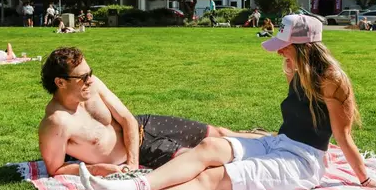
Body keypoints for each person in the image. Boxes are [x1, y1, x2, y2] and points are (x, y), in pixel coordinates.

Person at [78, 15, 376, 190]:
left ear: (305, 47)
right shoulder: (295, 70)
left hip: (302, 162)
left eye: (285, 45)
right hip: (278, 144)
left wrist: (364, 179)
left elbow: (343, 136)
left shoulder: (332, 79)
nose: (279, 50)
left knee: (213, 177)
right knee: (210, 146)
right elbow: (297, 121)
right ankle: (135, 186)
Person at [38, 47, 264, 178]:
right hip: (145, 150)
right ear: (60, 82)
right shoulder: (57, 123)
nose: (90, 80)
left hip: (142, 125)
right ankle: (266, 159)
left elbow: (126, 118)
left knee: (218, 132)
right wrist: (99, 169)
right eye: (83, 77)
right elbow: (55, 169)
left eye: (90, 73)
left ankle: (275, 140)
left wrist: (133, 165)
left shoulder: (93, 85)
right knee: (207, 158)